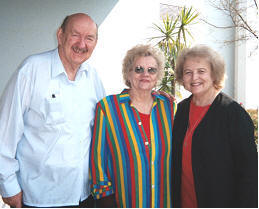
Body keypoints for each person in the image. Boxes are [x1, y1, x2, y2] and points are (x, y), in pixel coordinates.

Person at [0, 13, 105, 207]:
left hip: (84, 195)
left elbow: (107, 121)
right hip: (40, 197)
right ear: (60, 35)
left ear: (95, 43)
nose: (82, 44)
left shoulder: (92, 77)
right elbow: (5, 133)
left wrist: (148, 97)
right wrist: (9, 185)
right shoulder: (31, 69)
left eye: (89, 38)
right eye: (75, 35)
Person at [90, 44, 176, 207]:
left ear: (158, 76)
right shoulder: (108, 108)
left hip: (164, 202)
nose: (145, 74)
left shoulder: (169, 107)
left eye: (152, 70)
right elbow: (98, 162)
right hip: (125, 202)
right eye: (138, 69)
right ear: (128, 73)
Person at [171, 45, 258, 208]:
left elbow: (249, 176)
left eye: (201, 71)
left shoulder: (233, 114)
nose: (194, 77)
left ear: (214, 74)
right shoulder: (181, 110)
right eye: (188, 72)